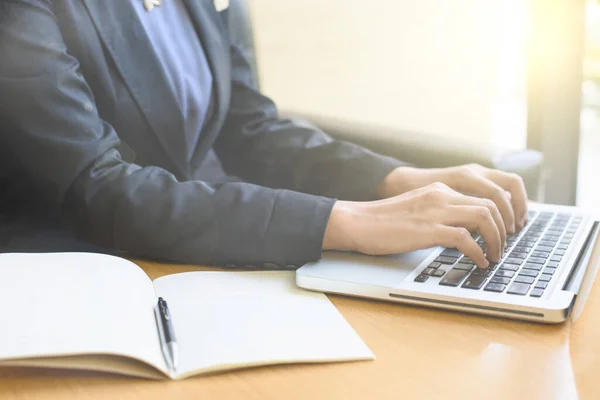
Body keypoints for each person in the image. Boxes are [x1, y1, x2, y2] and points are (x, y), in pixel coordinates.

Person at [0, 0, 527, 269]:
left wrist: (394, 180)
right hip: (79, 281)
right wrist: (344, 221)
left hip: (193, 255)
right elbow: (101, 189)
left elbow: (246, 126)